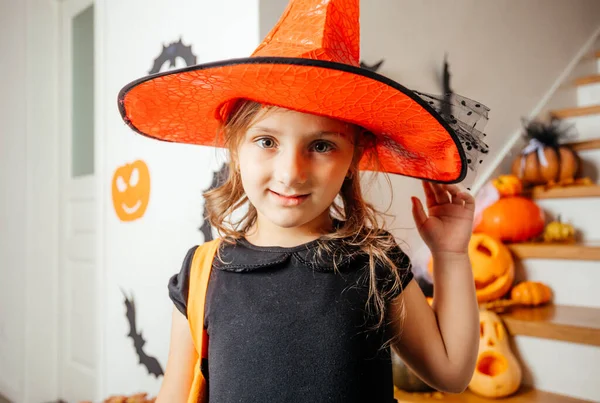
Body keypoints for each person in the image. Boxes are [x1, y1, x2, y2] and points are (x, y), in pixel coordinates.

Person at [117, 1, 491, 402]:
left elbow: (451, 372)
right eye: (267, 141)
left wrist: (450, 256)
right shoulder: (202, 274)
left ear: (353, 158)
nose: (291, 172)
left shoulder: (374, 262)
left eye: (321, 145)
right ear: (234, 147)